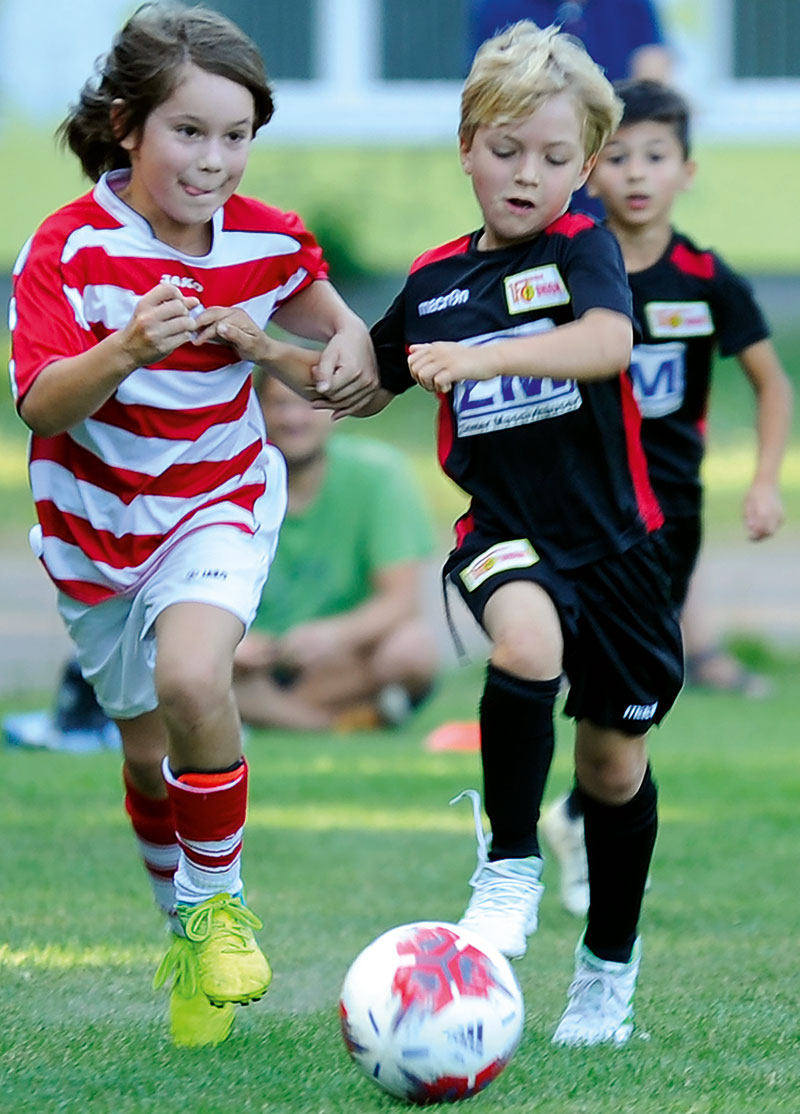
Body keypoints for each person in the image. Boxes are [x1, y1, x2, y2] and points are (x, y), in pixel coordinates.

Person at [9, 2, 375, 1049]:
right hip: (95, 539)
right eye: (189, 132)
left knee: (190, 682)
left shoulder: (267, 241)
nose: (215, 161)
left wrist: (295, 351)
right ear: (126, 125)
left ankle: (221, 910)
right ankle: (188, 935)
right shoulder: (67, 250)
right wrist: (125, 348)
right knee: (142, 755)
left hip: (216, 502)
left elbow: (348, 368)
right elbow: (40, 405)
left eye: (236, 135)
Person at [345, 21, 684, 1047]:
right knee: (523, 640)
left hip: (617, 547)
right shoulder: (436, 279)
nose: (524, 175)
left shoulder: (582, 250)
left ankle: (603, 973)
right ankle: (505, 869)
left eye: (550, 157)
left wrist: (480, 358)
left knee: (610, 771)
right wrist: (258, 343)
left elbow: (605, 341)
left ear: (583, 167)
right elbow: (359, 375)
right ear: (465, 145)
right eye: (503, 150)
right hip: (502, 532)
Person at [541, 79, 793, 917]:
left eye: (656, 157)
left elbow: (770, 384)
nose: (636, 174)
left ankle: (583, 810)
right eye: (617, 156)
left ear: (687, 171)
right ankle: (572, 817)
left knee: (638, 685)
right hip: (582, 506)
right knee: (580, 661)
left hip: (671, 516)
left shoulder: (706, 279)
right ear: (589, 168)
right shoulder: (572, 263)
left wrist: (763, 483)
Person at [233, 375, 439, 731]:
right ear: (256, 412)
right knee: (194, 664)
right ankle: (333, 723)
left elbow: (401, 601)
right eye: (280, 404)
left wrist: (334, 635)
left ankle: (267, 717)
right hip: (251, 659)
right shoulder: (229, 481)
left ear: (337, 411)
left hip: (337, 660)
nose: (294, 418)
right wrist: (231, 643)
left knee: (412, 649)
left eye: (309, 404)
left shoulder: (378, 474)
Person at [467, 1, 671, 220]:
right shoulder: (498, 6)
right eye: (501, 151)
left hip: (608, 150)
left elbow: (652, 85)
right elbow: (487, 88)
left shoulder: (631, 6)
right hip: (528, 147)